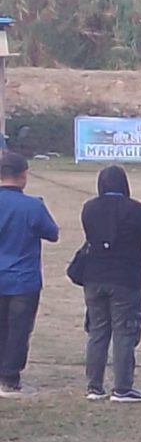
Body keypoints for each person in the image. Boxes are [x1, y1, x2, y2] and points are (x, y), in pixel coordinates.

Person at [80, 166, 141, 402]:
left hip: (94, 276)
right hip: (125, 279)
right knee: (124, 332)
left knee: (97, 331)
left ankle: (94, 386)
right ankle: (122, 387)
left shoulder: (89, 208)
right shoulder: (135, 209)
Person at [0, 153, 59, 398]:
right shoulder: (33, 206)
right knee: (18, 330)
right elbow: (52, 233)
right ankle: (9, 379)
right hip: (23, 280)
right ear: (23, 175)